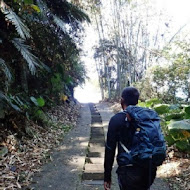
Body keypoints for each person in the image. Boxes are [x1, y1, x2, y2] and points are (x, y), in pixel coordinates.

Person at [104, 87, 157, 190]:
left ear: (122, 100)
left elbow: (110, 149)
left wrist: (107, 177)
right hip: (149, 169)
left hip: (128, 171)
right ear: (137, 101)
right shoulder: (147, 118)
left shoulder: (116, 119)